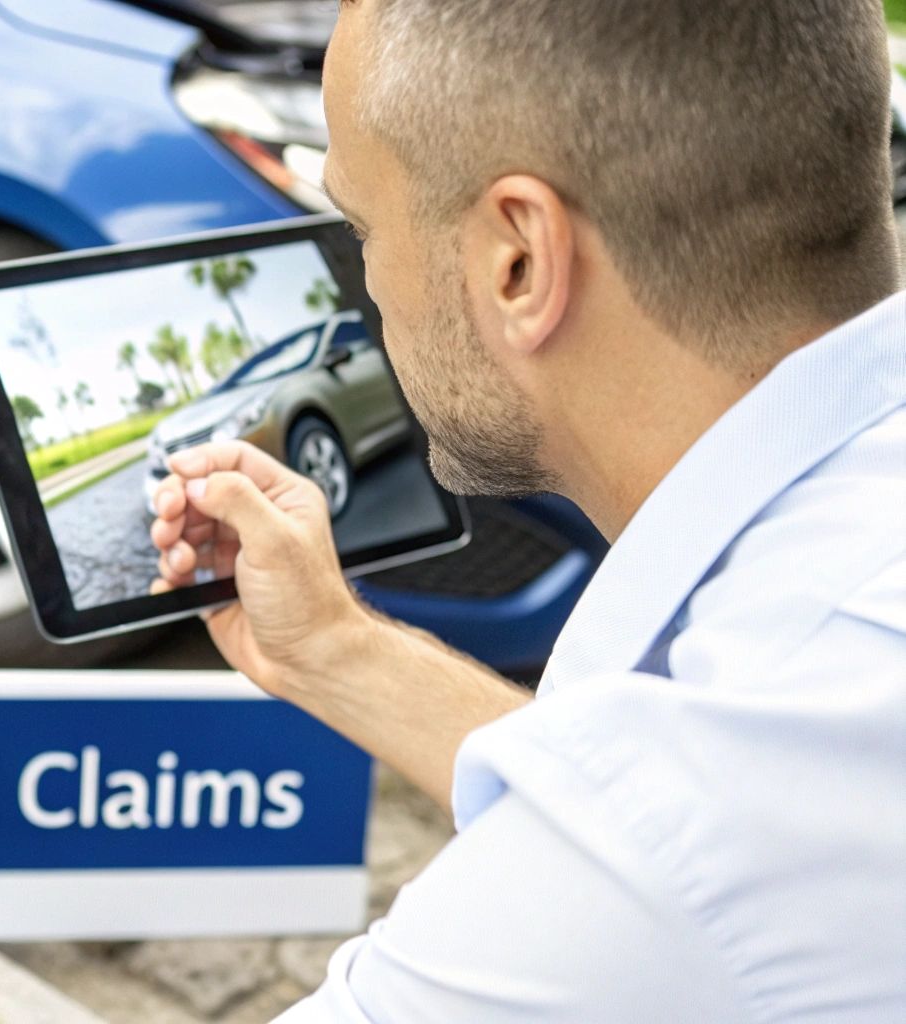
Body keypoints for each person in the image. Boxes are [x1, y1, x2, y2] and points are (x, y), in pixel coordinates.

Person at [148, 1, 906, 1020]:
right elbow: (641, 808)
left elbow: (657, 844)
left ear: (516, 261)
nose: (365, 283)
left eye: (362, 227)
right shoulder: (778, 708)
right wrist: (331, 646)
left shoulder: (681, 837)